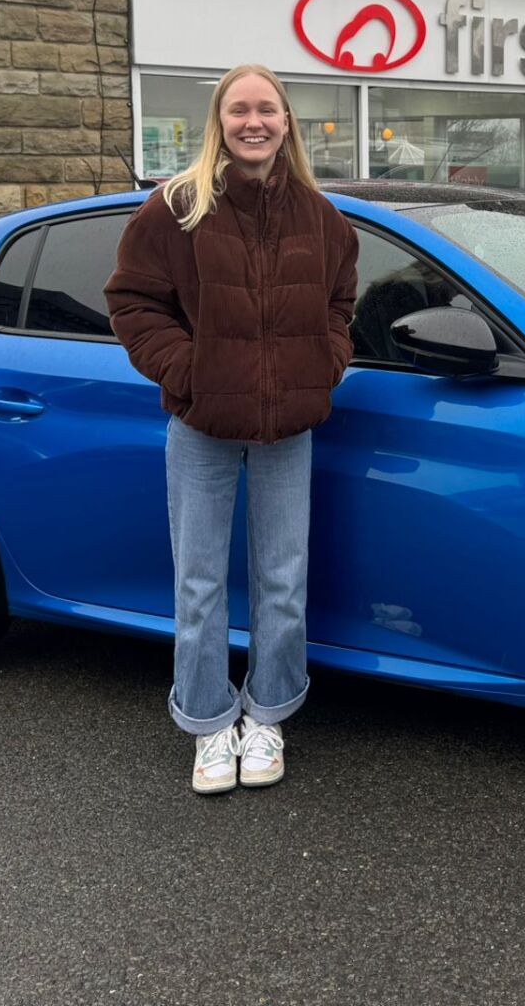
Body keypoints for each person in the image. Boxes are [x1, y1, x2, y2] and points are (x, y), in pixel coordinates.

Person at [105, 64, 358, 794]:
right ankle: (210, 721)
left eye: (267, 110)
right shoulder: (177, 208)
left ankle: (269, 711)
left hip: (289, 428)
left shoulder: (321, 216)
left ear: (286, 123)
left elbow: (342, 301)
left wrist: (326, 358)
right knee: (200, 584)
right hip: (203, 424)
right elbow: (131, 302)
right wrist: (189, 372)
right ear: (219, 121)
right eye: (239, 110)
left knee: (282, 582)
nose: (254, 122)